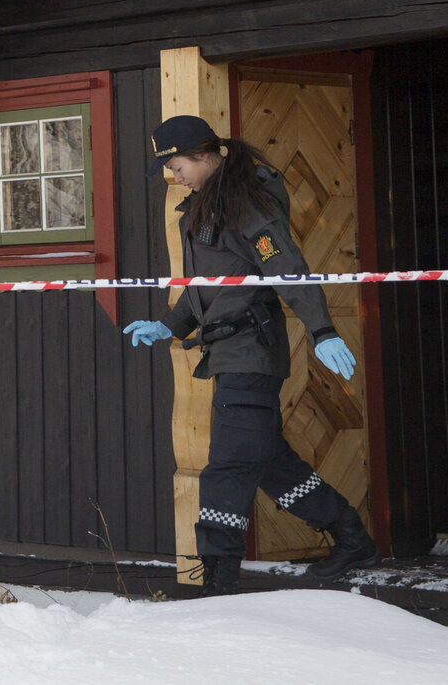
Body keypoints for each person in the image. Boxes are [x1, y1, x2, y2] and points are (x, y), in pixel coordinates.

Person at [121, 114, 377, 595]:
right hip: (228, 353)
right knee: (269, 461)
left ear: (202, 154)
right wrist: (169, 326)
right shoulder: (205, 205)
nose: (174, 177)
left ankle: (218, 580)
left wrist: (322, 330)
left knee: (229, 465)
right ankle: (352, 538)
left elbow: (287, 268)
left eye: (176, 166)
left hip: (250, 353)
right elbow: (207, 286)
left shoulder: (245, 202)